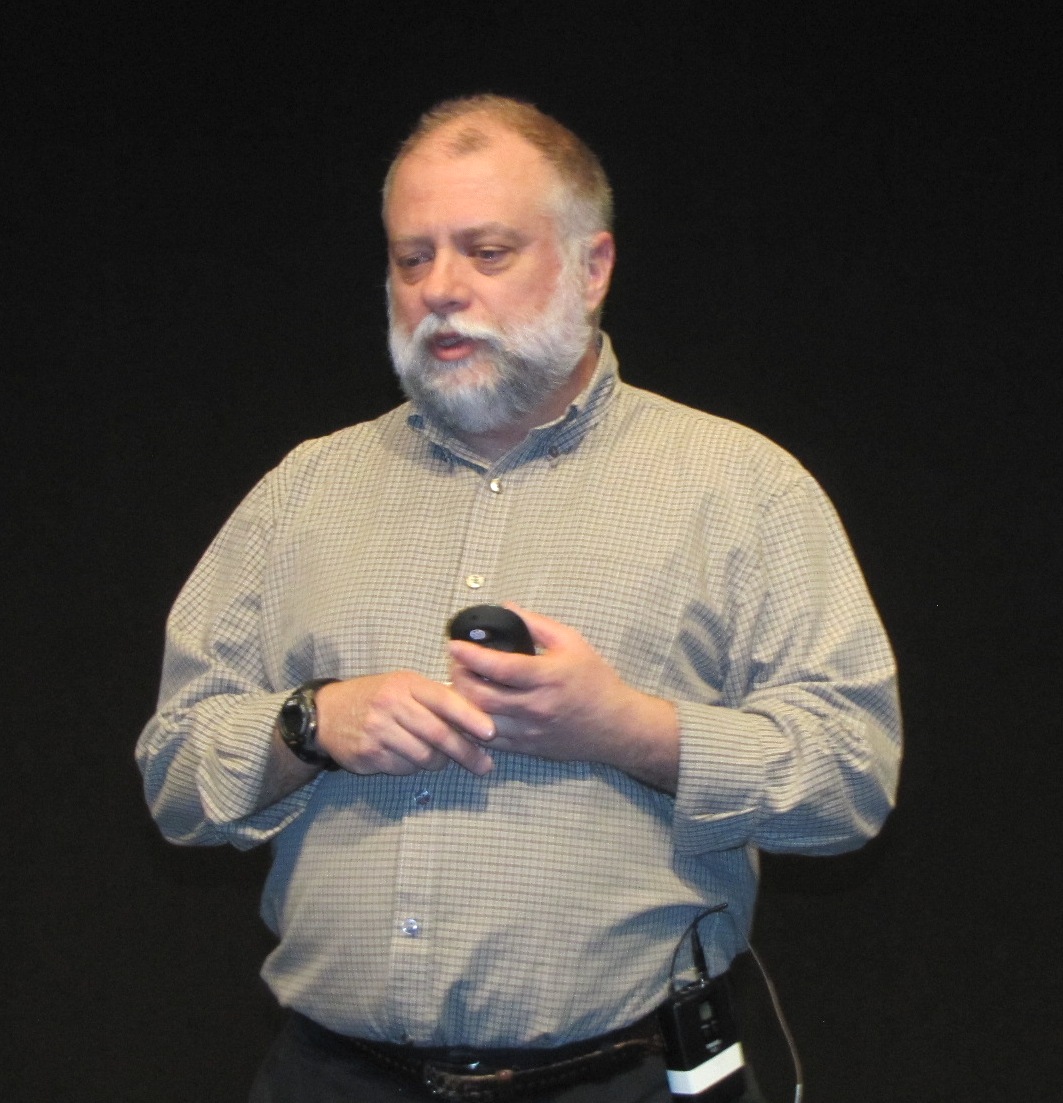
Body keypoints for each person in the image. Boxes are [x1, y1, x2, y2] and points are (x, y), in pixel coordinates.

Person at [137, 94, 901, 1103]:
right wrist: (310, 720)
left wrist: (628, 728)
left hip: (623, 1077)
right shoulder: (305, 491)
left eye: (486, 252)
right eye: (413, 258)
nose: (441, 290)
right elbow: (173, 771)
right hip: (332, 1076)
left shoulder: (740, 486)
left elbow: (850, 778)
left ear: (593, 268)